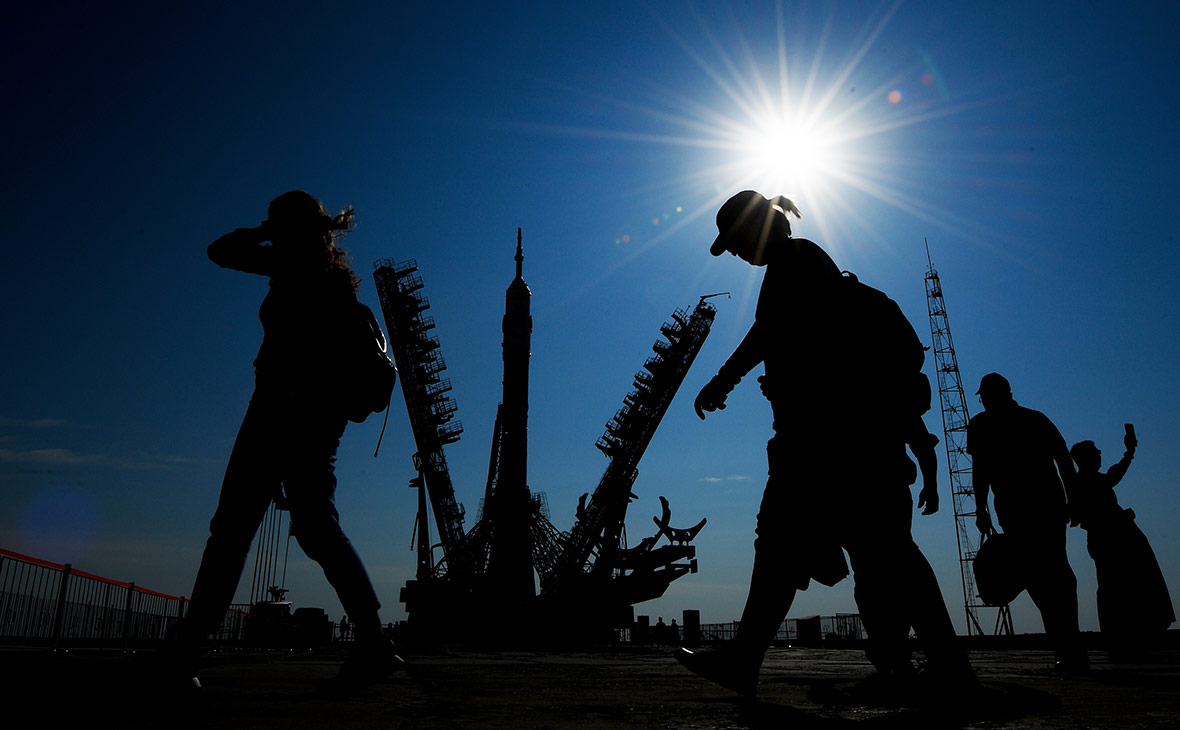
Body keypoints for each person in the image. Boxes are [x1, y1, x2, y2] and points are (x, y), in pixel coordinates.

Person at [677, 190, 970, 697]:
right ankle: (946, 665)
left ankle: (746, 661)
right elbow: (774, 336)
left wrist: (725, 379)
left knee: (858, 551)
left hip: (829, 439)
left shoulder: (796, 263)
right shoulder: (800, 263)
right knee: (819, 549)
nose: (740, 255)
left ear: (757, 229)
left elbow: (769, 336)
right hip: (835, 438)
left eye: (738, 242)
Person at [170, 191, 401, 689]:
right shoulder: (329, 279)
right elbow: (220, 253)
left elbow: (221, 251)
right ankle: (375, 642)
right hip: (316, 421)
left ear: (288, 230)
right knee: (318, 528)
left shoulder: (298, 274)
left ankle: (186, 653)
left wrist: (262, 233)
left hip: (279, 411)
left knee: (231, 530)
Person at [967, 373, 1086, 671]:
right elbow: (1062, 461)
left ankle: (1066, 646)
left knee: (1047, 575)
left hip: (1031, 508)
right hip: (1032, 508)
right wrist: (981, 509)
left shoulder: (990, 424)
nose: (985, 400)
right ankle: (1067, 645)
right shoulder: (1026, 420)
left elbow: (1062, 459)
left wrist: (981, 509)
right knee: (1048, 574)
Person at [1070, 431, 1174, 658]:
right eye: (1095, 452)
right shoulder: (1083, 482)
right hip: (1110, 539)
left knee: (1122, 586)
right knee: (1117, 587)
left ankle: (1125, 633)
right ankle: (1121, 635)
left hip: (1115, 537)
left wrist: (1129, 453)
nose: (1100, 454)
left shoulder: (1086, 481)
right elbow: (1108, 485)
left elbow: (1112, 477)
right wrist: (1129, 453)